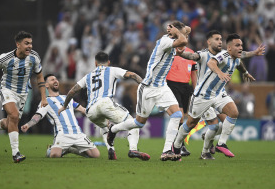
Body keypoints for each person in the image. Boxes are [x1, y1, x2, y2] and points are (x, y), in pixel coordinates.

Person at [107, 21, 190, 161]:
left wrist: (177, 29)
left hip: (162, 87)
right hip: (148, 88)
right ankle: (113, 129)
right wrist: (177, 31)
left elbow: (187, 30)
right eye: (177, 32)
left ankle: (166, 151)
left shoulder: (174, 38)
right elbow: (183, 38)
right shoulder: (165, 41)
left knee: (177, 115)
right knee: (139, 123)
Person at [177, 30, 264, 159]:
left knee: (226, 119)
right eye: (217, 39)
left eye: (220, 39)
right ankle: (184, 146)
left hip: (218, 93)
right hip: (203, 94)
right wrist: (181, 53)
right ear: (209, 41)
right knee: (201, 124)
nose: (219, 41)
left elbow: (240, 58)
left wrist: (249, 64)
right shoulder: (203, 54)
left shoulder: (226, 55)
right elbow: (192, 57)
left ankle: (213, 143)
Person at [58, 51, 150, 161]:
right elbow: (133, 75)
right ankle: (133, 149)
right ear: (109, 62)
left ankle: (110, 149)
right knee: (132, 122)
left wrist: (64, 106)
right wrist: (144, 86)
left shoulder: (88, 76)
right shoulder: (112, 69)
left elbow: (72, 91)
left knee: (104, 126)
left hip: (91, 111)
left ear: (95, 63)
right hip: (105, 103)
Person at [0, 31, 48, 163]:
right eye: (26, 43)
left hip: (23, 93)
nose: (30, 46)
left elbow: (39, 76)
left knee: (11, 122)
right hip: (7, 90)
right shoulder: (6, 58)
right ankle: (16, 153)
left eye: (31, 43)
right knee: (14, 116)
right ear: (18, 44)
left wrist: (43, 98)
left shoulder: (34, 57)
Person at [21, 74, 100, 158]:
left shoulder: (67, 98)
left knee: (96, 155)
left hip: (78, 133)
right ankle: (55, 149)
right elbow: (38, 116)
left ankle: (70, 149)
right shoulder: (45, 101)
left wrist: (97, 114)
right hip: (62, 134)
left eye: (56, 79)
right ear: (46, 85)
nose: (55, 81)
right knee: (54, 155)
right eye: (52, 80)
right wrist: (28, 124)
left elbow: (83, 110)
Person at [166, 46, 197, 157]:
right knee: (178, 115)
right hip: (171, 84)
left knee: (183, 116)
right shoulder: (170, 49)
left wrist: (196, 90)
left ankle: (176, 144)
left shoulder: (191, 52)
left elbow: (194, 73)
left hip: (185, 86)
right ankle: (179, 145)